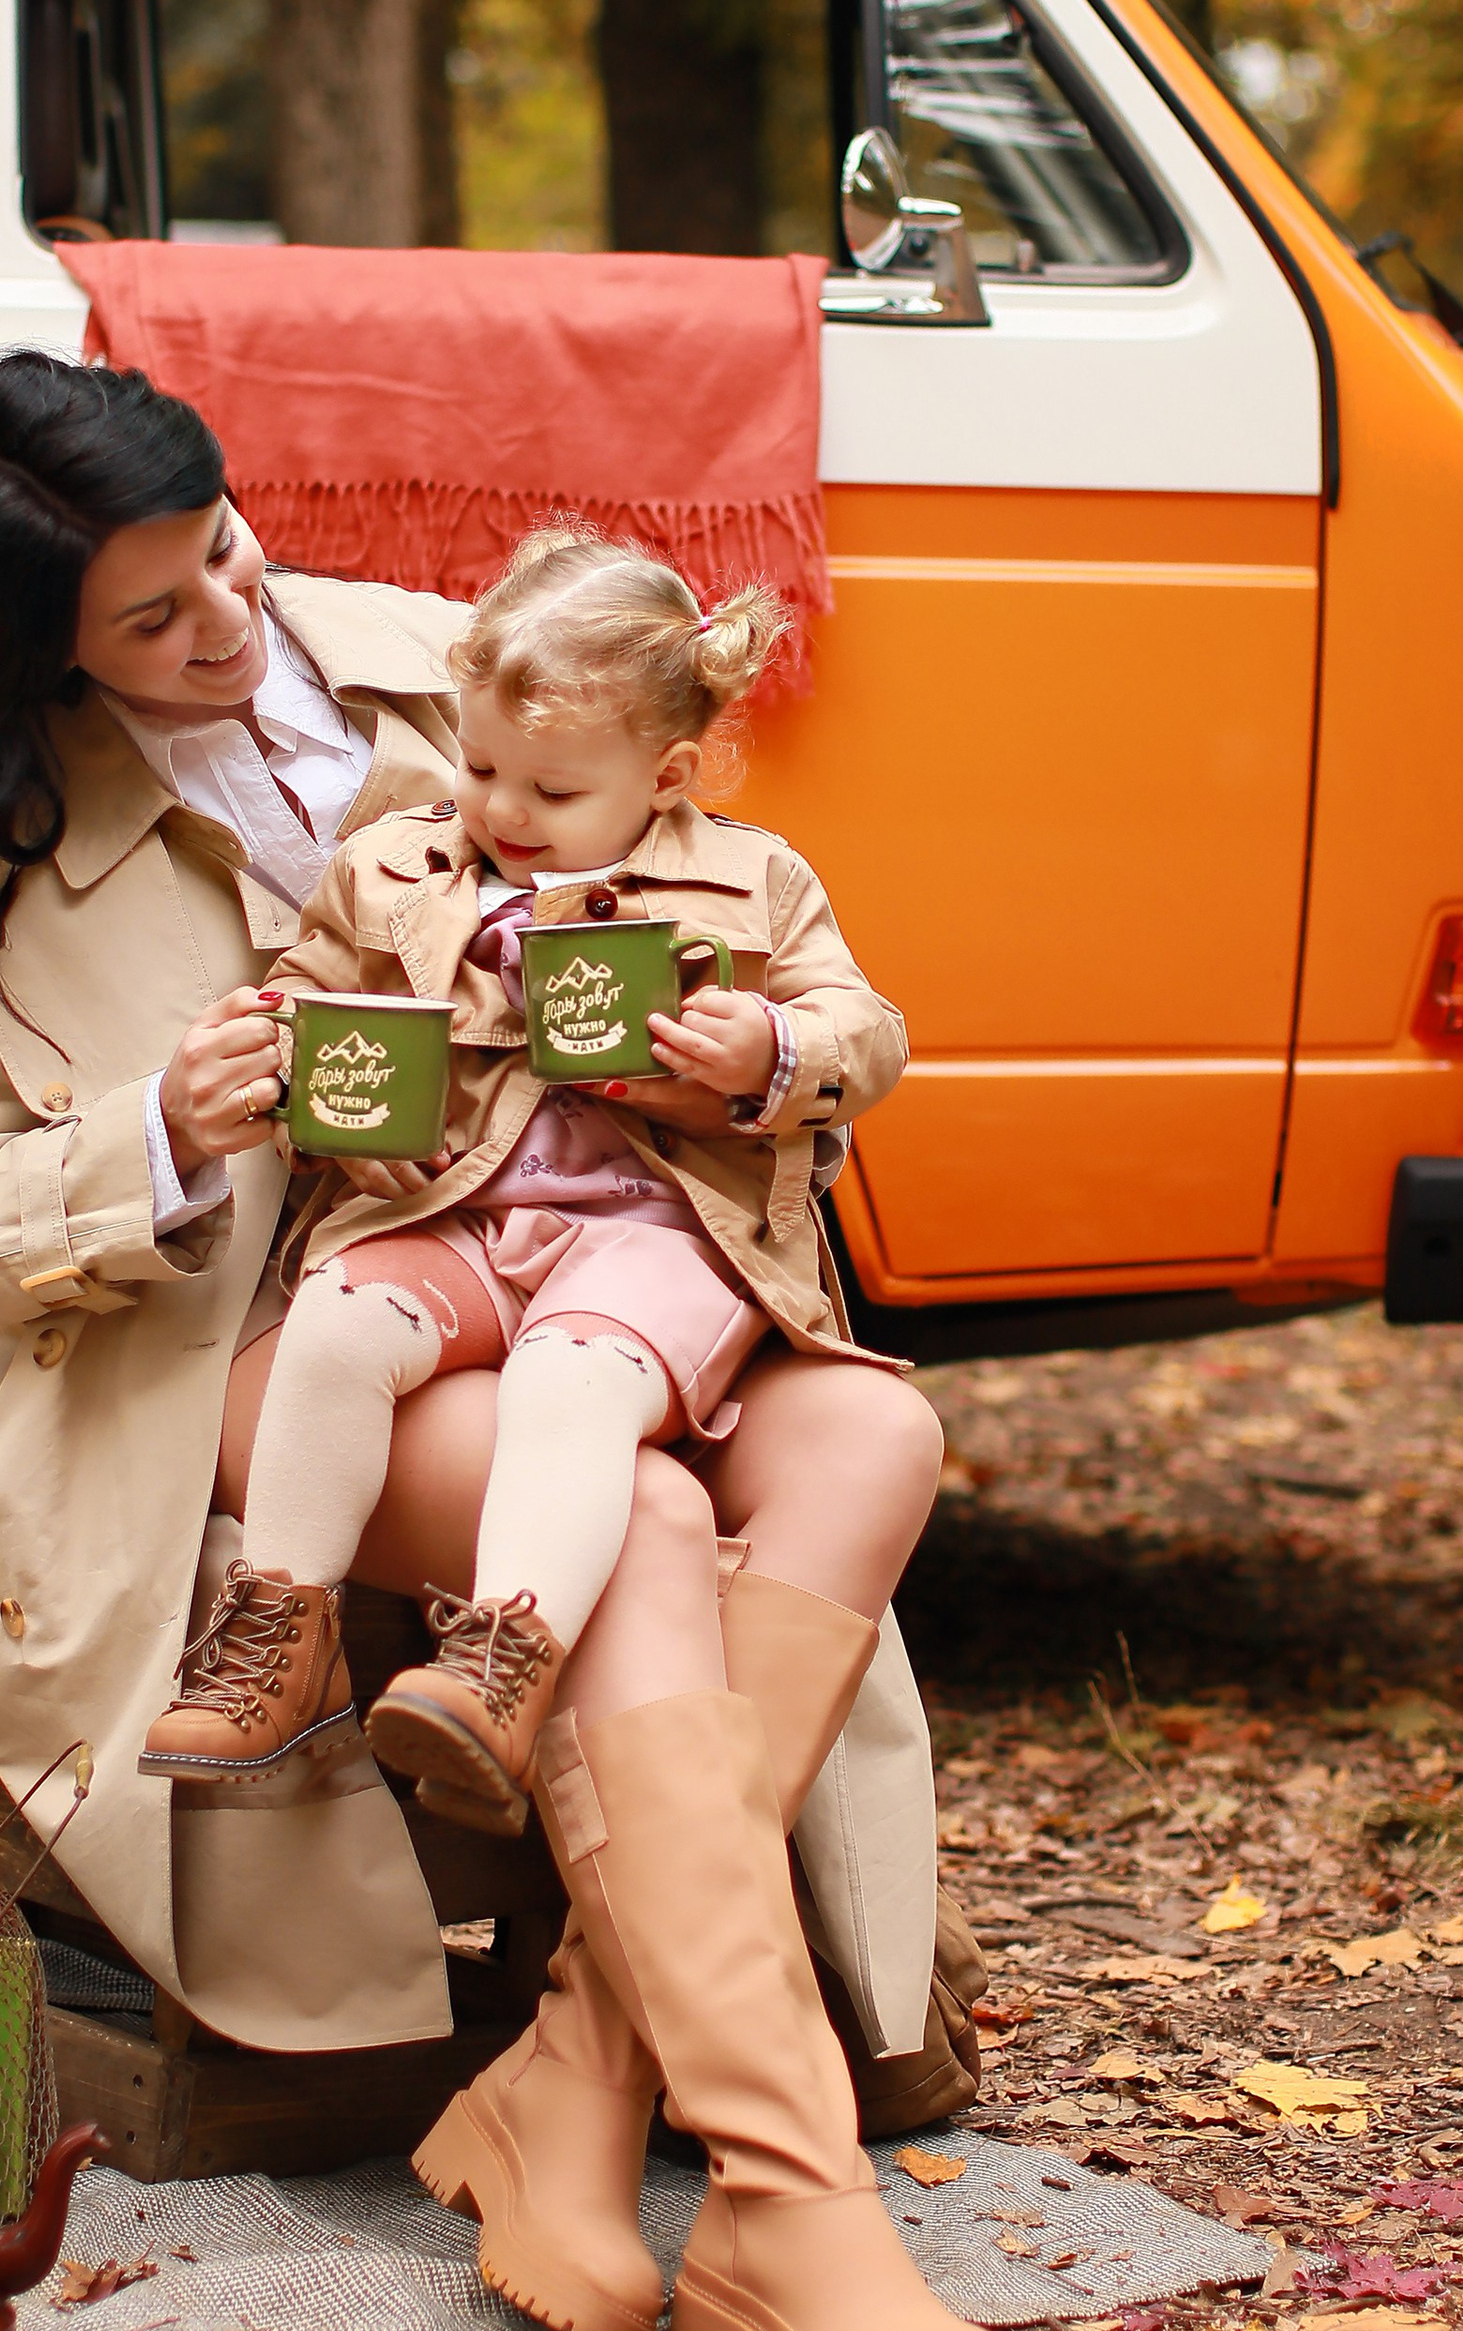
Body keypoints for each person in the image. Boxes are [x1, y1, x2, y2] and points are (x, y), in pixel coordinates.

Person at [0, 349, 1015, 2331]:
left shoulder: (455, 661)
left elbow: (794, 950)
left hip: (622, 1277)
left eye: (219, 549)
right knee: (637, 1512)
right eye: (148, 618)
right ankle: (782, 2189)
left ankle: (582, 2061)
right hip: (271, 1353)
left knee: (876, 1429)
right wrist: (156, 1133)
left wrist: (751, 1063)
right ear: (37, 651)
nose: (224, 621)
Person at [143, 526, 909, 1850]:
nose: (501, 810)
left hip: (660, 1233)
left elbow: (869, 1031)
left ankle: (505, 1658)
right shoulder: (395, 866)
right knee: (332, 1319)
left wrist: (767, 1054)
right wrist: (319, 1089)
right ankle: (283, 1626)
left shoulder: (751, 881)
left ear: (663, 778)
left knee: (571, 1380)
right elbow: (309, 998)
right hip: (459, 1211)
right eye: (480, 764)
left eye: (550, 790)